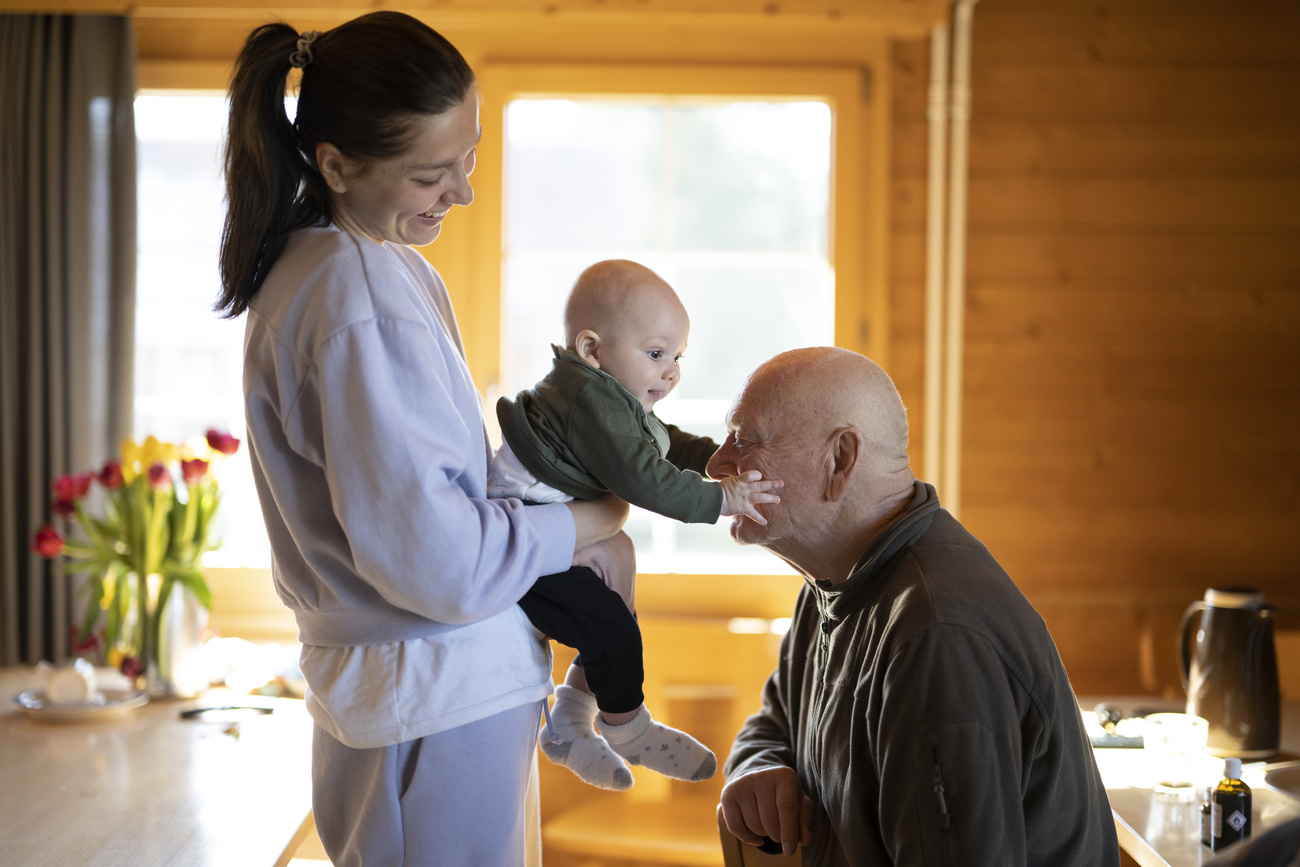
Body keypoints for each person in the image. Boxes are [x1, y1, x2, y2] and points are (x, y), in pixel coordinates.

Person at [218, 13, 627, 866]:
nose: (463, 192)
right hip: (435, 693)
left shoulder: (336, 266)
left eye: (468, 158)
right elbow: (439, 559)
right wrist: (590, 519)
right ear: (334, 163)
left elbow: (423, 500)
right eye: (432, 173)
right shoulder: (354, 294)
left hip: (415, 692)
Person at [708, 347, 1120, 866]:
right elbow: (775, 718)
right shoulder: (835, 580)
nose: (716, 464)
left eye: (745, 441)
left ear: (839, 460)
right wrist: (755, 765)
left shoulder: (938, 634)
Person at [492, 259, 781, 791]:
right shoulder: (587, 401)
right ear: (591, 350)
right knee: (611, 626)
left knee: (617, 595)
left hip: (552, 531)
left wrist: (718, 458)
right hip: (517, 547)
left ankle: (569, 721)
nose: (671, 371)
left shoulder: (605, 396)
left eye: (676, 357)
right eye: (655, 354)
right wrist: (722, 498)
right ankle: (627, 726)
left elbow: (660, 440)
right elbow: (642, 476)